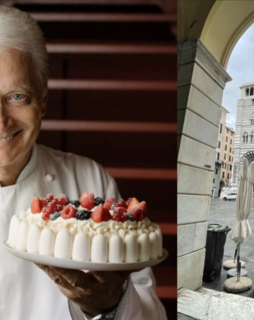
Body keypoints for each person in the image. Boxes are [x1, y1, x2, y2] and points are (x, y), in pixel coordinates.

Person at [0, 6, 167, 320]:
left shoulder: (89, 178)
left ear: (44, 101)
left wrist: (106, 305)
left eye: (17, 96)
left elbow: (150, 314)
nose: (1, 121)